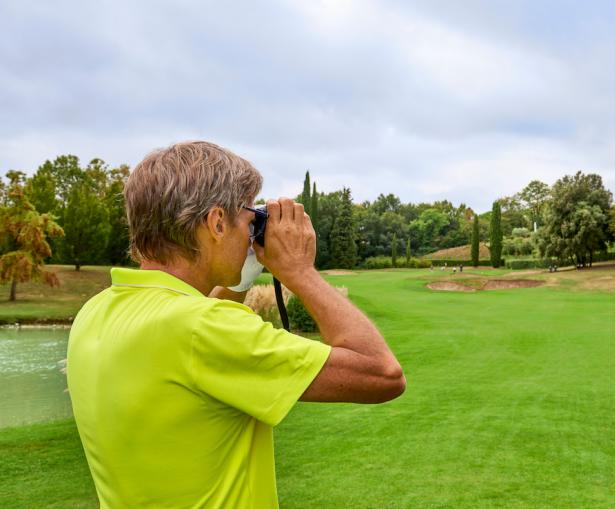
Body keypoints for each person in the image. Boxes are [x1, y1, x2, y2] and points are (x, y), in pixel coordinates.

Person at [66, 141, 405, 508]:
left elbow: (196, 358)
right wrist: (299, 272)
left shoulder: (96, 312)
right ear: (216, 222)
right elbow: (382, 374)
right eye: (248, 219)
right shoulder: (203, 329)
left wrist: (239, 280)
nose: (252, 234)